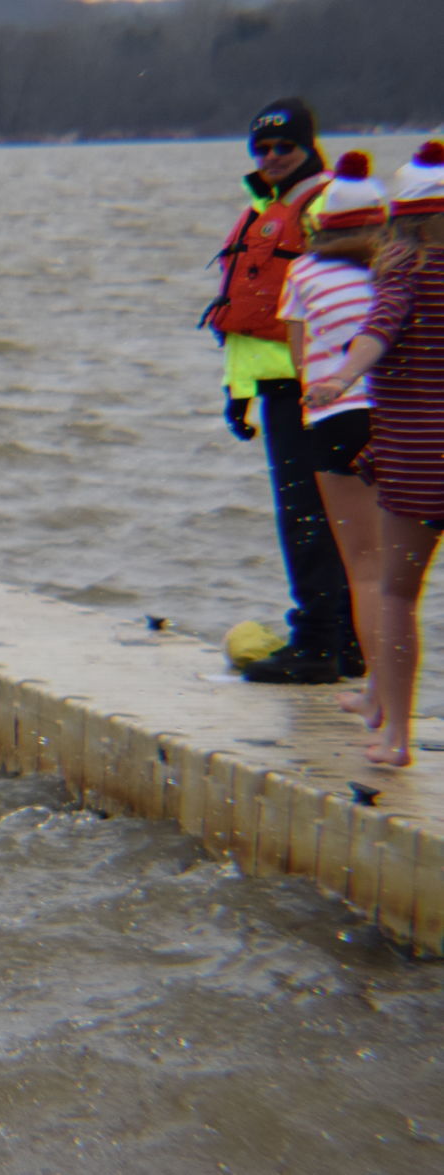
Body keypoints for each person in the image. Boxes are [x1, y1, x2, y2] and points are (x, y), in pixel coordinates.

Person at [200, 98, 357, 684]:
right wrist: (236, 393)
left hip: (315, 388)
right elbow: (250, 320)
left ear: (308, 146)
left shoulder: (322, 206)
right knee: (314, 514)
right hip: (275, 385)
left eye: (283, 146)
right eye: (261, 148)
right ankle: (345, 641)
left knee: (308, 516)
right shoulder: (265, 210)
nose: (270, 157)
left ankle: (319, 643)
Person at [304, 142, 444, 766]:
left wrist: (338, 378)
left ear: (401, 219)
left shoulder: (406, 271)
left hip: (418, 458)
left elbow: (377, 333)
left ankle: (395, 737)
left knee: (394, 595)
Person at [278, 152, 389, 725]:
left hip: (337, 417)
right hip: (402, 419)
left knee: (366, 569)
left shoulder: (302, 273)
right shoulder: (400, 271)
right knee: (402, 573)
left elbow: (300, 357)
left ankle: (379, 696)